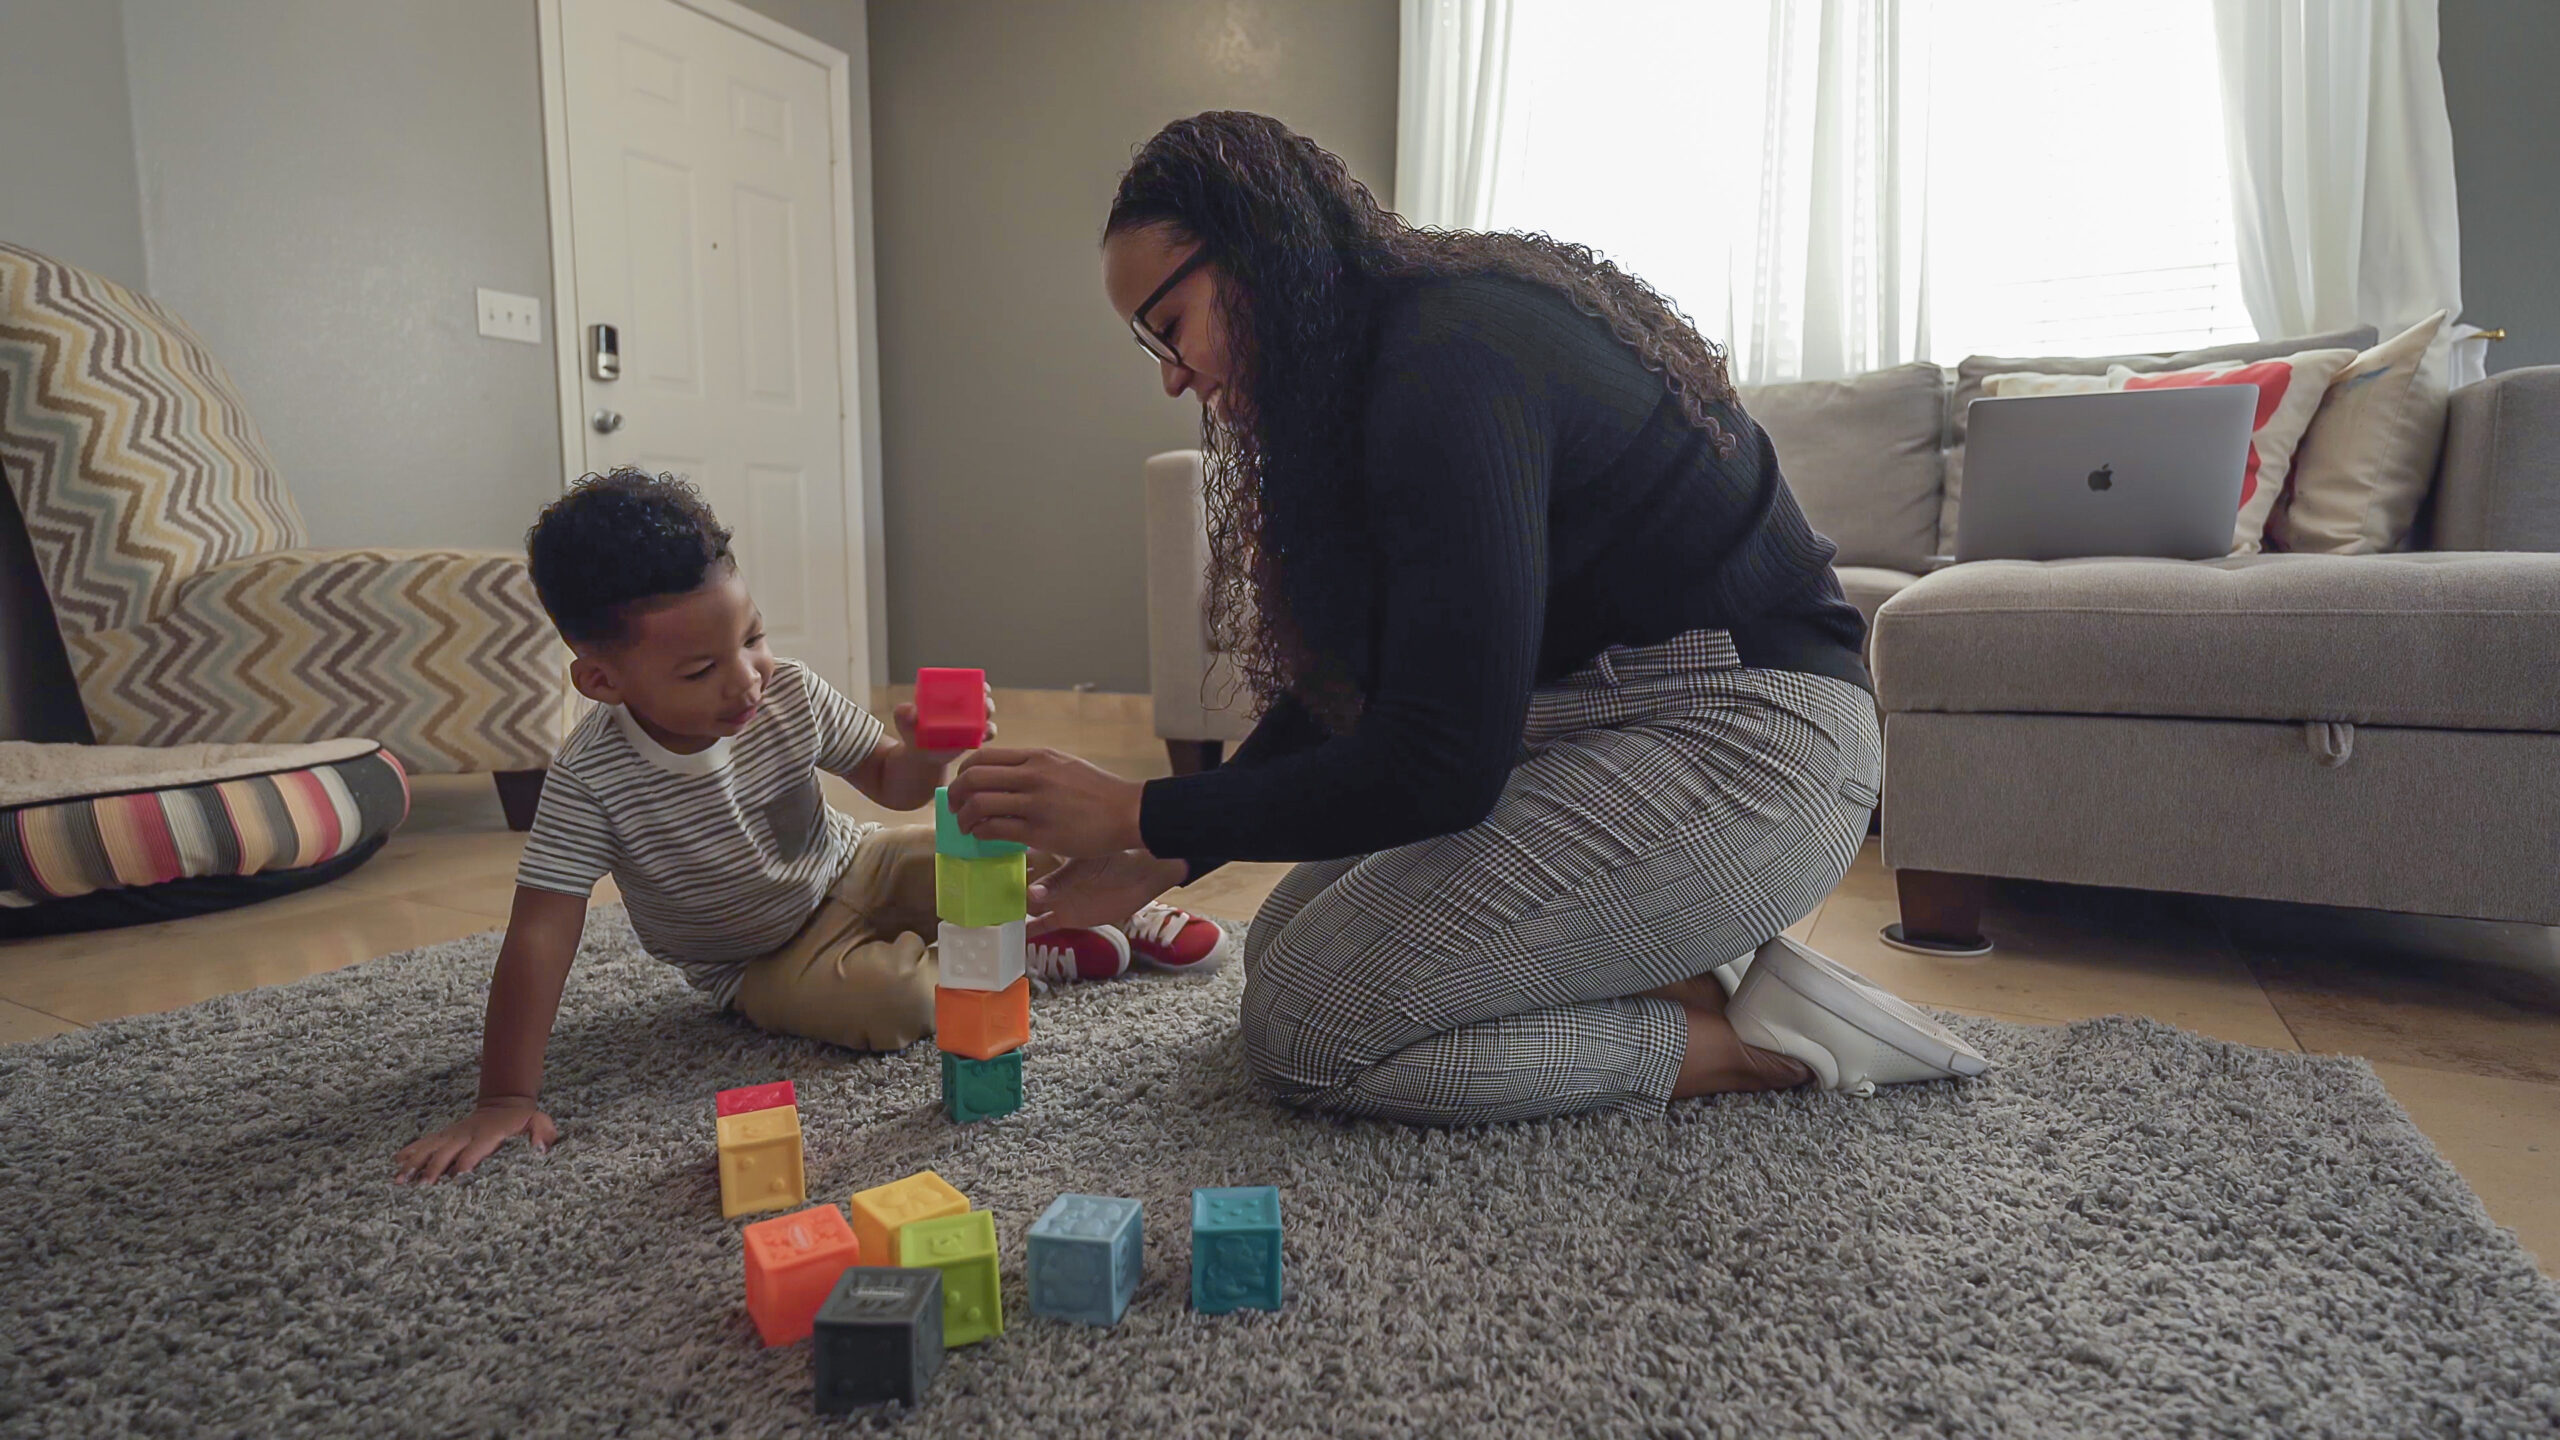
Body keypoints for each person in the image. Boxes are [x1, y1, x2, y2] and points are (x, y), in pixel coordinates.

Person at [948, 112, 1990, 1126]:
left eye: (1165, 328)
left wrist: (1141, 813)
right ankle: (1684, 963)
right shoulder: (1372, 370)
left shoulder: (1447, 363)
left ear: (1254, 254)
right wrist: (1174, 853)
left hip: (1762, 745)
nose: (1172, 375)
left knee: (1305, 1021)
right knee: (1284, 942)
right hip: (1620, 718)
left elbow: (1441, 762)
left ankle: (1753, 1046)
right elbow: (1354, 693)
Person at [393, 470, 1228, 1183]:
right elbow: (542, 932)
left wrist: (930, 750)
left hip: (852, 865)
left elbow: (893, 786)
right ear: (602, 680)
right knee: (896, 1000)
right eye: (700, 669)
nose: (745, 679)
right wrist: (505, 1096)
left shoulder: (786, 691)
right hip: (757, 958)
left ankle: (1105, 904)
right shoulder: (589, 779)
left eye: (751, 637)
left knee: (1000, 822)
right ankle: (1019, 949)